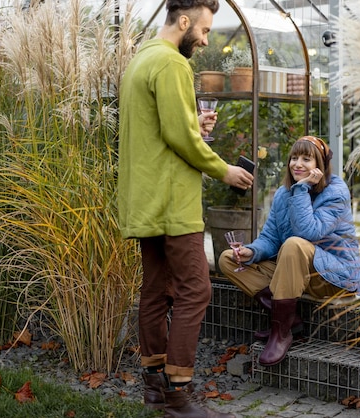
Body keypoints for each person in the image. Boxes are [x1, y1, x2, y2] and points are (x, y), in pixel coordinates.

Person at [117, 0, 253, 416]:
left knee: (156, 290)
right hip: (173, 201)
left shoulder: (141, 60)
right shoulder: (174, 64)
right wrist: (224, 170)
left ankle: (154, 387)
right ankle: (179, 391)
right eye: (205, 31)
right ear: (183, 21)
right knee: (196, 289)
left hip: (144, 198)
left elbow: (165, 129)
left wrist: (194, 124)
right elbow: (181, 141)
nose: (206, 39)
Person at [219, 136, 360, 367]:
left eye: (307, 159)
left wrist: (302, 189)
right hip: (298, 274)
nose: (298, 164)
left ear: (321, 165)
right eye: (294, 158)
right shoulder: (283, 194)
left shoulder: (336, 191)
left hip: (332, 277)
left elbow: (309, 233)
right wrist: (252, 252)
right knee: (227, 259)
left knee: (295, 244)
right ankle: (288, 318)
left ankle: (281, 332)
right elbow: (270, 238)